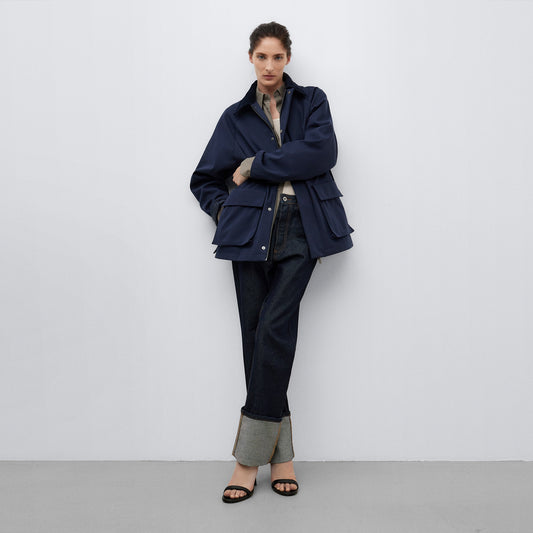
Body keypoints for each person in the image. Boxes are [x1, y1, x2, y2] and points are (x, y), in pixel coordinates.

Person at [190, 21, 354, 503]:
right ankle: (281, 457)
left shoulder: (312, 101)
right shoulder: (235, 117)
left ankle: (246, 462)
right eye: (261, 56)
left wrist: (254, 165)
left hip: (302, 227)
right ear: (251, 58)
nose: (269, 65)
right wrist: (225, 210)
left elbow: (322, 153)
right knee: (256, 335)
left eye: (277, 57)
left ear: (287, 59)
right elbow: (204, 179)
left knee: (275, 329)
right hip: (249, 233)